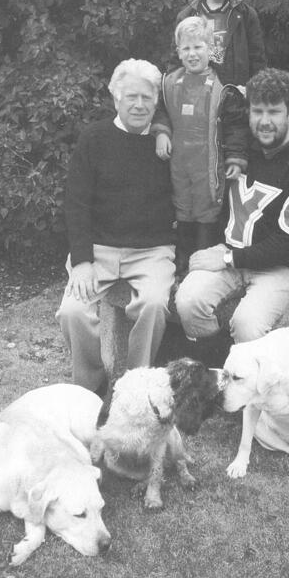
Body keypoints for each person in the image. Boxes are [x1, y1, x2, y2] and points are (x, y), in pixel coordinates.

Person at [175, 67, 289, 348]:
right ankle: (217, 366)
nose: (264, 121)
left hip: (282, 267)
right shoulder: (241, 149)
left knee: (248, 323)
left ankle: (247, 379)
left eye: (274, 112)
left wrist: (227, 259)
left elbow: (288, 245)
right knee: (188, 301)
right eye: (257, 111)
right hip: (232, 253)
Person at [56, 59, 176, 394]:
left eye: (147, 98)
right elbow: (76, 203)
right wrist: (81, 261)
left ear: (156, 102)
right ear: (116, 99)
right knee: (72, 312)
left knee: (153, 304)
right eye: (131, 97)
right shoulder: (94, 139)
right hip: (99, 249)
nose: (139, 105)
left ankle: (135, 388)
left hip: (152, 250)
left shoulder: (167, 145)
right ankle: (91, 388)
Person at [153, 16, 248, 275]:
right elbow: (161, 112)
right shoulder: (170, 82)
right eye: (186, 48)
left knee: (207, 209)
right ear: (178, 52)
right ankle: (182, 263)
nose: (192, 54)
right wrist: (161, 133)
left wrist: (236, 158)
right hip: (179, 162)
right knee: (183, 206)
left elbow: (236, 126)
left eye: (198, 47)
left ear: (210, 49)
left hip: (209, 164)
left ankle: (203, 265)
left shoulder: (224, 87)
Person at [173, 0, 266, 87]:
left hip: (235, 97)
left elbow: (257, 60)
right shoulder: (186, 16)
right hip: (198, 96)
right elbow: (175, 61)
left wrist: (253, 90)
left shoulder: (246, 15)